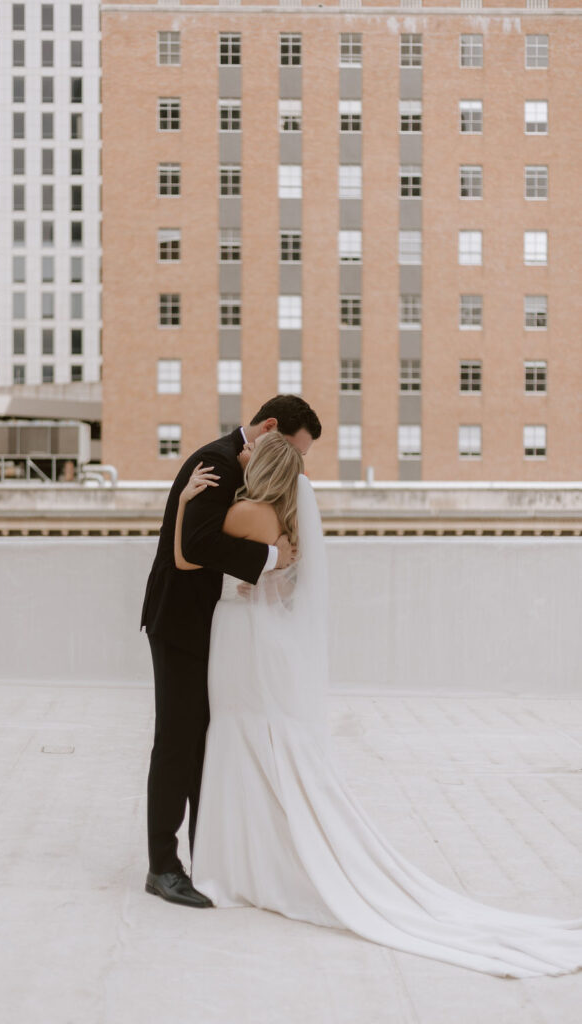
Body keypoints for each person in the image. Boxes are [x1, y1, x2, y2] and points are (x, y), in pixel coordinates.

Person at [173, 433, 582, 979]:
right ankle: (258, 856)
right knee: (255, 740)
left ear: (263, 467)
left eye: (252, 455)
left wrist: (183, 503)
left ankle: (238, 865)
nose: (242, 457)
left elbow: (186, 555)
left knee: (234, 734)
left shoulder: (244, 512)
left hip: (237, 640)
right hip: (261, 639)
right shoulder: (284, 522)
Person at [141, 395, 322, 908]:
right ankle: (162, 865)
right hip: (180, 626)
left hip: (217, 630)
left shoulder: (242, 472)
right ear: (269, 428)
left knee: (207, 743)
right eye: (293, 450)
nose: (295, 466)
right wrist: (269, 555)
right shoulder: (216, 462)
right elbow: (195, 547)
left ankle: (210, 855)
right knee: (177, 741)